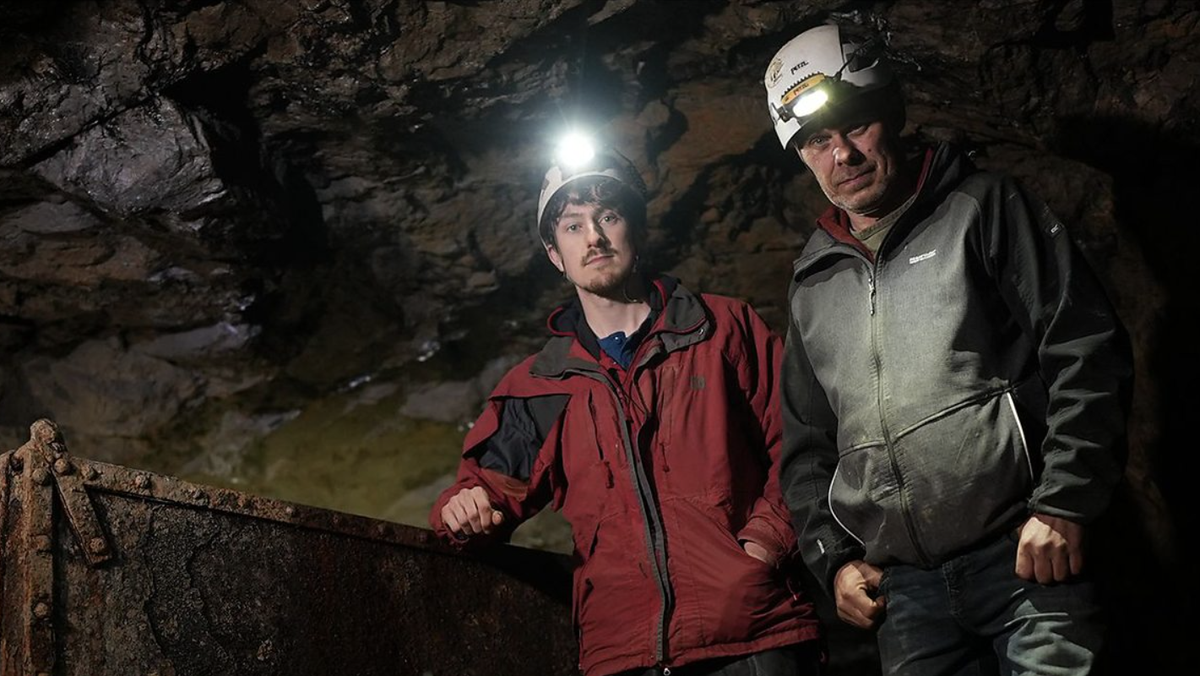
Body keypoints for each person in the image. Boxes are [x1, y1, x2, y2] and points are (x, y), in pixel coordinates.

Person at [762, 24, 1133, 676]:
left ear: (894, 114)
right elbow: (810, 451)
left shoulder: (981, 208)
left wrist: (1066, 503)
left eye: (857, 125)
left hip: (1026, 556)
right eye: (817, 140)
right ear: (802, 155)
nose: (842, 154)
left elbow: (1082, 346)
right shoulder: (813, 283)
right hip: (907, 594)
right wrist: (835, 559)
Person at [429, 145, 822, 676]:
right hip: (623, 654)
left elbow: (802, 446)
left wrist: (761, 548)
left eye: (607, 217)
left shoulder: (723, 330)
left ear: (634, 228)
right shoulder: (542, 385)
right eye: (572, 226)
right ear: (554, 254)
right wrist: (462, 510)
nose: (593, 236)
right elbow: (482, 495)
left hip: (750, 637)